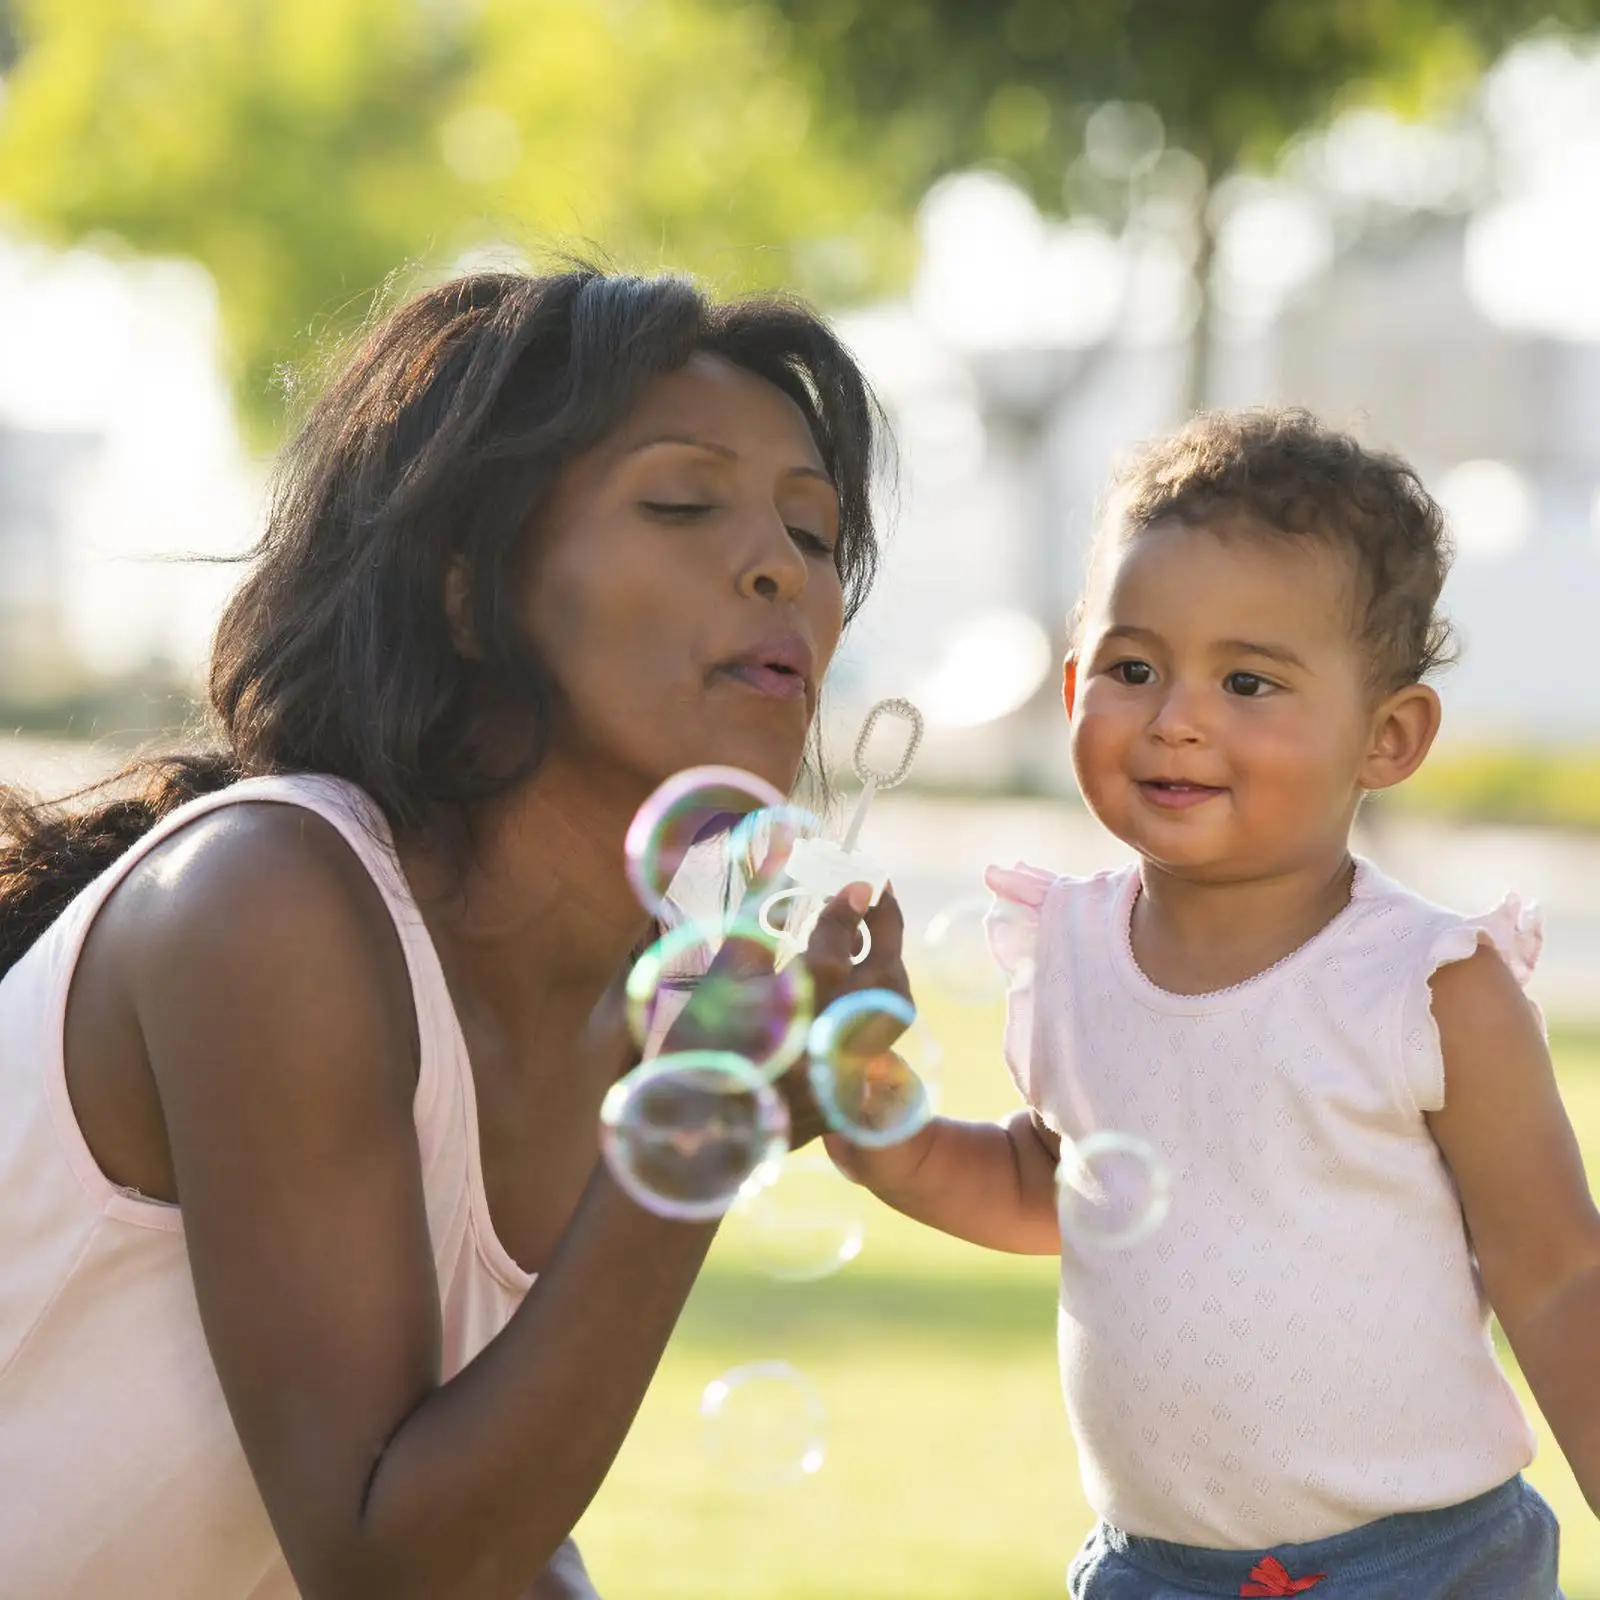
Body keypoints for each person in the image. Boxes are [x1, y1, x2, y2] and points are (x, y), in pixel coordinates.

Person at [0, 266, 910, 1599]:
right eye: (680, 503)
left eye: (816, 532)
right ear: (466, 590)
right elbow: (390, 1571)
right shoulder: (267, 903)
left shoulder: (637, 1007)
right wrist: (701, 1127)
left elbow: (494, 1522)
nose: (781, 567)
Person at [833, 409, 1600, 1597]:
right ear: (1075, 684)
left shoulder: (1431, 988)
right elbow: (1051, 1184)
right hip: (1155, 1571)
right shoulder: (1072, 954)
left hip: (1427, 1562)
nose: (1175, 717)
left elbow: (1555, 1275)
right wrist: (871, 1107)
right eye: (1133, 669)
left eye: (1247, 681)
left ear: (1387, 736)